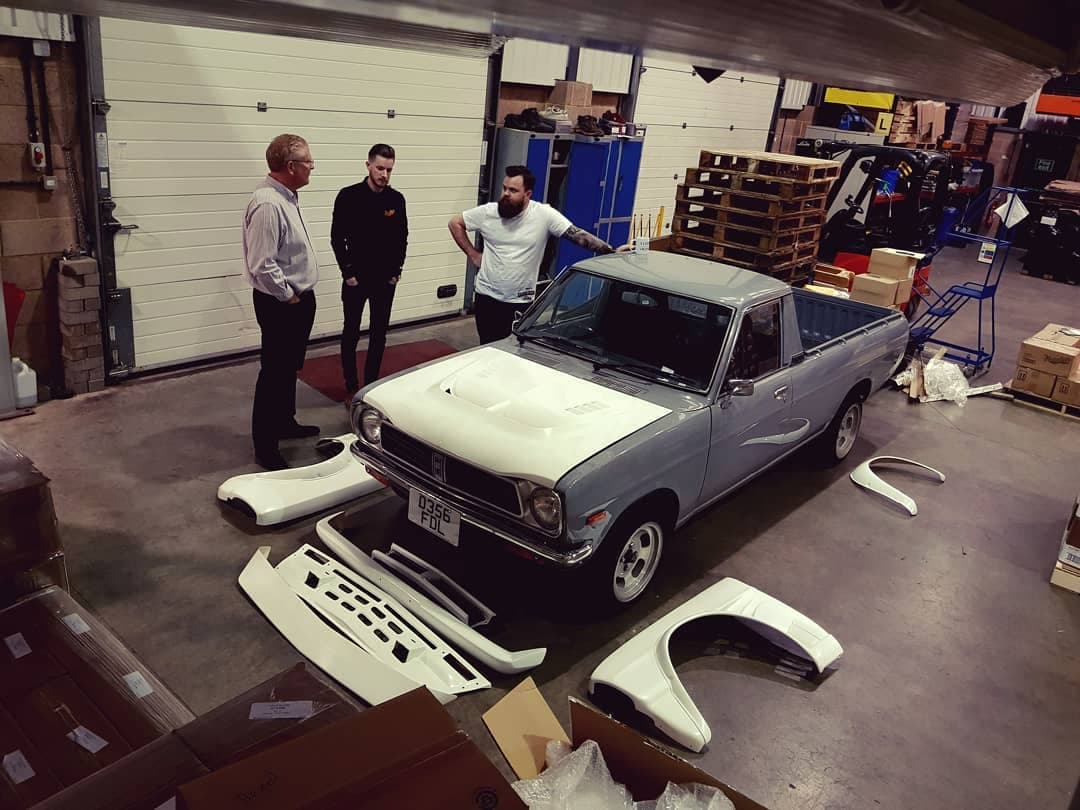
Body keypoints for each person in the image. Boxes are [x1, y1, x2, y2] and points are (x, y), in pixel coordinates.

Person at [448, 165, 619, 344]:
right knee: (488, 346)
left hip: (520, 301)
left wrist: (612, 251)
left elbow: (578, 236)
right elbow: (455, 223)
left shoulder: (543, 214)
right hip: (487, 297)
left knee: (516, 348)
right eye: (504, 188)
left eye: (513, 190)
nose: (506, 194)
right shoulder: (487, 212)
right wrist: (473, 254)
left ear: (527, 194)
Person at [242, 133, 320, 470]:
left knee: (289, 368)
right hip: (281, 304)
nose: (312, 167)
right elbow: (262, 263)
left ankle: (285, 422)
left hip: (296, 301)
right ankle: (266, 446)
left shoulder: (286, 197)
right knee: (274, 373)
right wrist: (288, 296)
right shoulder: (268, 204)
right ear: (290, 166)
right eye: (308, 162)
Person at [331, 144, 408, 398]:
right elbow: (337, 238)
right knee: (351, 331)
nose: (384, 174)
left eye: (389, 170)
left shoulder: (396, 199)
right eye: (379, 168)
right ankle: (351, 385)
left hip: (385, 280)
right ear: (368, 166)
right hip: (356, 278)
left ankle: (370, 386)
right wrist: (347, 273)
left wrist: (396, 271)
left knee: (379, 334)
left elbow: (401, 237)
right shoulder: (348, 196)